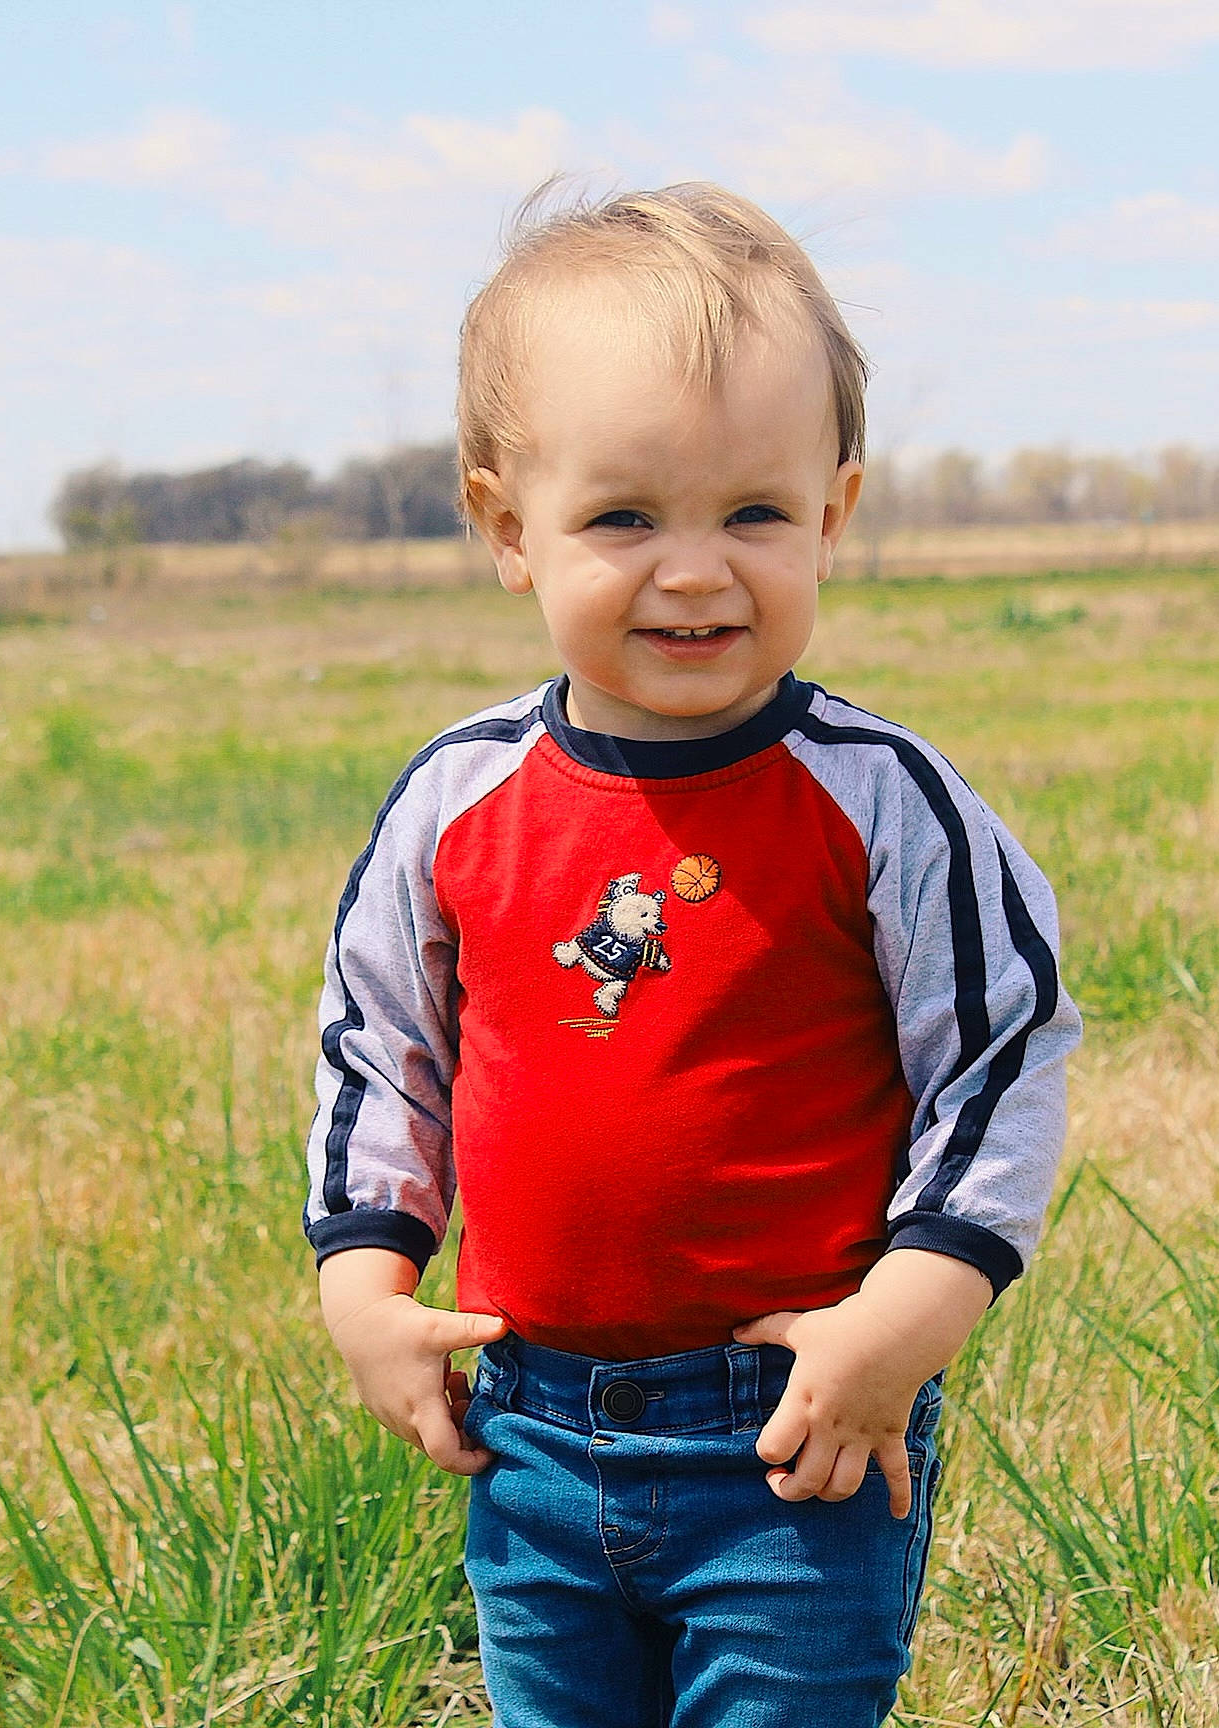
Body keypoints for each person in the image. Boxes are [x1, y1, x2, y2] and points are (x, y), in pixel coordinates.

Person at [302, 182, 1081, 1728]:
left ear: (833, 516)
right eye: (623, 517)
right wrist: (368, 1283)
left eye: (754, 513)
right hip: (526, 1424)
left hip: (795, 1427)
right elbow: (378, 1044)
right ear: (505, 529)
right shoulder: (461, 801)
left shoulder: (883, 801)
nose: (697, 569)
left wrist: (903, 1323)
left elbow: (1000, 1058)